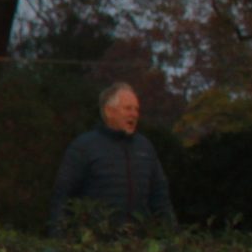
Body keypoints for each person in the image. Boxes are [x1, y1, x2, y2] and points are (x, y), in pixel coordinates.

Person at [49, 83, 175, 233]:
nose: (134, 114)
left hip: (139, 243)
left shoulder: (145, 148)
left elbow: (160, 197)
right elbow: (62, 197)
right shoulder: (84, 147)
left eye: (136, 109)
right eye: (128, 108)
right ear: (109, 111)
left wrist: (171, 233)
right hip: (94, 241)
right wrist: (59, 236)